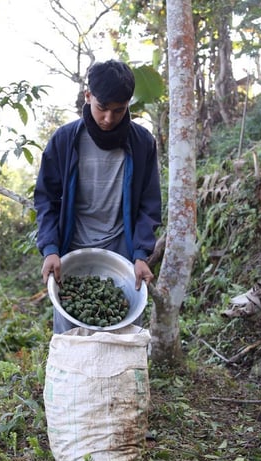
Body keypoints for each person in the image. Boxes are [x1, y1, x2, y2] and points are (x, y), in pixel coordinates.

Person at [34, 59, 162, 333]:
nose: (108, 119)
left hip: (122, 250)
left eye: (119, 110)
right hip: (73, 247)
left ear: (129, 104)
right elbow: (46, 198)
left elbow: (149, 205)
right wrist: (51, 249)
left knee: (123, 334)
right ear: (88, 96)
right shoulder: (65, 140)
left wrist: (141, 254)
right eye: (102, 108)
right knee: (71, 336)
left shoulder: (141, 142)